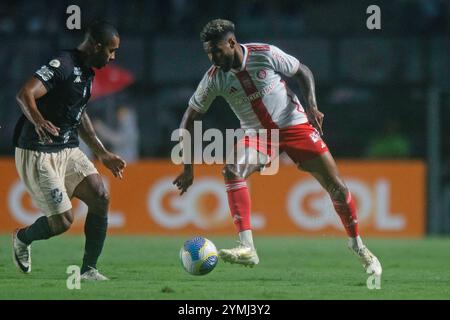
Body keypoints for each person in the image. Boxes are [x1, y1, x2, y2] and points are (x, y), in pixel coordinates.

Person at [173, 19, 382, 276]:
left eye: (217, 51)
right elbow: (188, 120)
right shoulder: (214, 78)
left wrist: (312, 105)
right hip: (259, 135)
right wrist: (187, 168)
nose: (213, 58)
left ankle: (359, 247)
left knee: (338, 188)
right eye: (209, 53)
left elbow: (302, 71)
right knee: (231, 171)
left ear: (231, 43)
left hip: (294, 125)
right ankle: (247, 247)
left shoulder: (265, 54)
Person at [12, 21, 126, 281]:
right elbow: (24, 94)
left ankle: (88, 270)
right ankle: (22, 237)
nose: (113, 57)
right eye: (111, 50)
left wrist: (103, 153)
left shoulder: (86, 71)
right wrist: (39, 121)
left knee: (101, 196)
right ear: (96, 46)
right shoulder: (62, 65)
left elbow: (79, 112)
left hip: (67, 148)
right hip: (38, 150)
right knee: (62, 222)